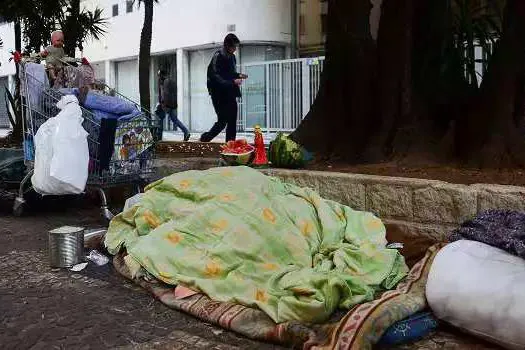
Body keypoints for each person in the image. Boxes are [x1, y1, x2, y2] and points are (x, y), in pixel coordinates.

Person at [200, 33, 248, 142]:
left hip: (230, 92)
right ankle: (205, 138)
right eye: (233, 46)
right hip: (218, 94)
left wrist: (238, 75)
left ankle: (230, 145)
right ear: (227, 45)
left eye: (236, 46)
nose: (235, 49)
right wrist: (233, 81)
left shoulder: (232, 57)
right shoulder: (218, 56)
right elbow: (215, 76)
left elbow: (230, 73)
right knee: (222, 121)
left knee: (232, 120)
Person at [156, 70, 190, 141]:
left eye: (159, 75)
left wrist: (163, 105)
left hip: (166, 104)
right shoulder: (172, 81)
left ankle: (159, 138)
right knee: (175, 120)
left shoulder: (164, 82)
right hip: (172, 104)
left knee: (160, 119)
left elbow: (165, 94)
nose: (158, 77)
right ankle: (186, 131)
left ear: (162, 75)